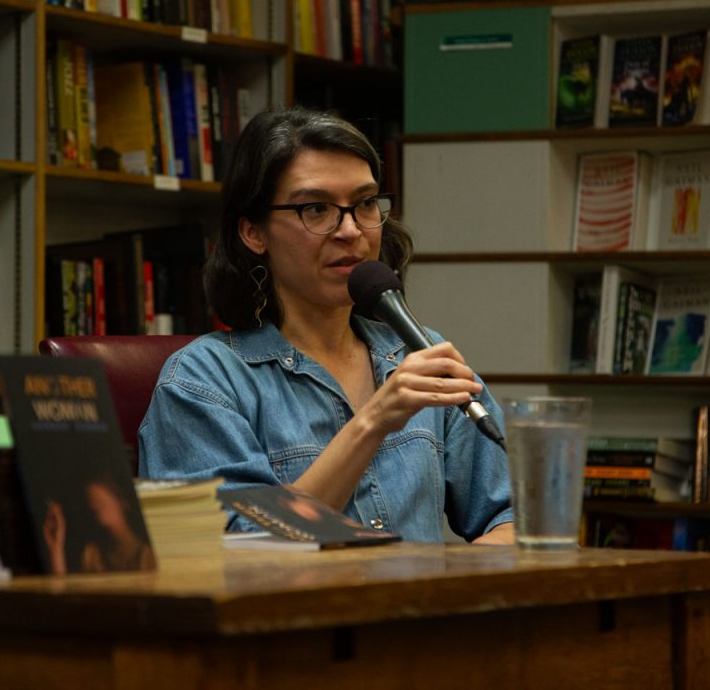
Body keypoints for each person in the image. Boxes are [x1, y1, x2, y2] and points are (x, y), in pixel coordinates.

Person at [139, 108, 514, 544]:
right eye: (317, 209)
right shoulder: (203, 381)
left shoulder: (419, 354)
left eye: (366, 204)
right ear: (253, 232)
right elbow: (235, 551)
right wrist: (370, 423)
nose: (351, 230)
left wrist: (437, 593)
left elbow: (510, 514)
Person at [42, 474, 156, 574]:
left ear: (123, 501)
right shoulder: (92, 555)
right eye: (90, 502)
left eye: (100, 502)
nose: (93, 505)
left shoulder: (148, 556)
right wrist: (56, 549)